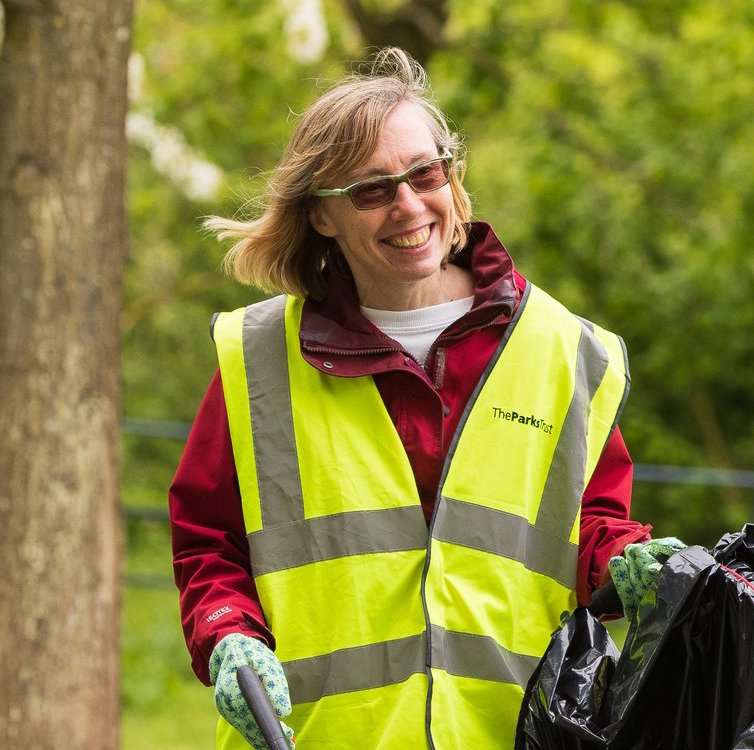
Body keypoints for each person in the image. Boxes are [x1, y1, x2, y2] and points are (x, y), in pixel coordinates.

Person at [169, 47, 683, 750]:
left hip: (513, 734)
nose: (409, 205)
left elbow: (589, 520)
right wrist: (227, 635)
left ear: (451, 173)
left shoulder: (566, 350)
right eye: (372, 191)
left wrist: (628, 561)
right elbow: (208, 543)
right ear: (323, 217)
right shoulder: (257, 359)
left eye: (425, 174)